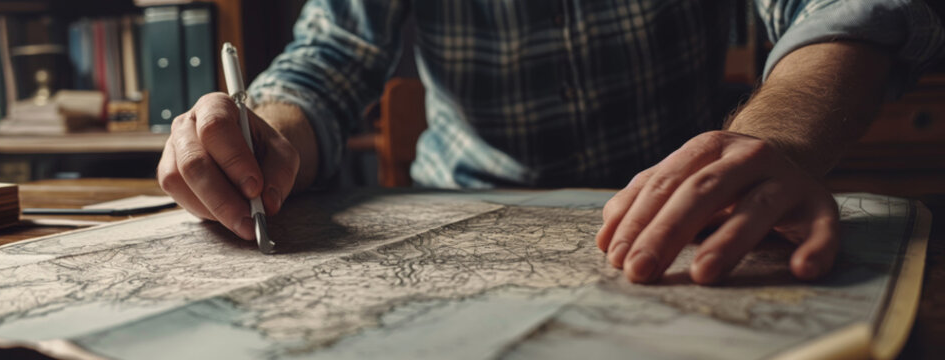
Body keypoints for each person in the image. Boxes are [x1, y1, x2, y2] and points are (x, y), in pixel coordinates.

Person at [156, 0, 945, 284]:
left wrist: (778, 138)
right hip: (453, 229)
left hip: (690, 217)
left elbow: (843, 6)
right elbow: (329, 59)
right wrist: (265, 131)